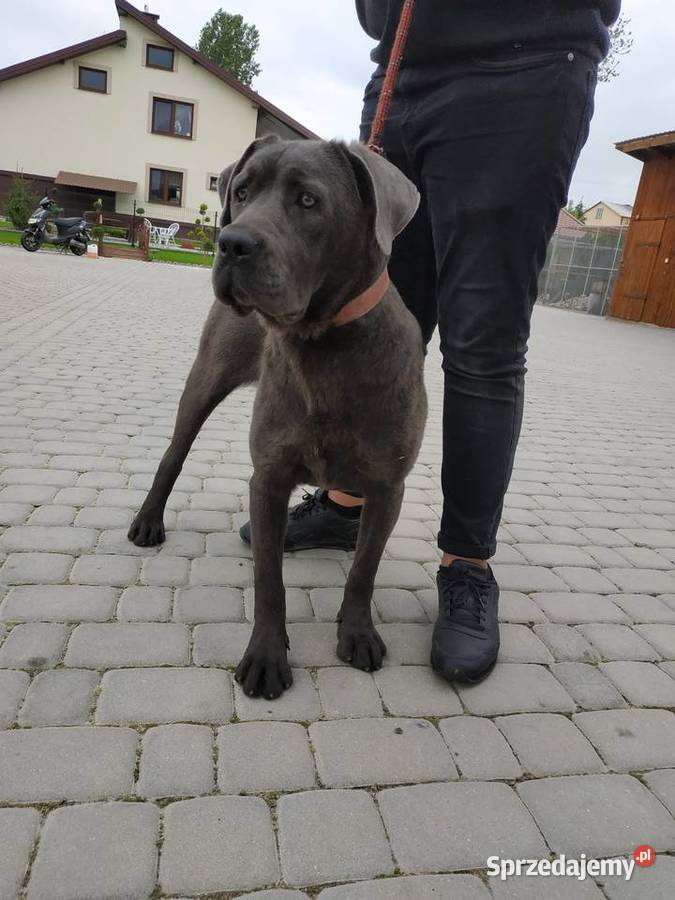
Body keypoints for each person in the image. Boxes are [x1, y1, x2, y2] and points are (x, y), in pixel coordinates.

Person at [242, 1, 620, 683]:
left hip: (527, 73)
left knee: (483, 345)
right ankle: (345, 500)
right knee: (371, 313)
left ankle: (465, 564)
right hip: (403, 75)